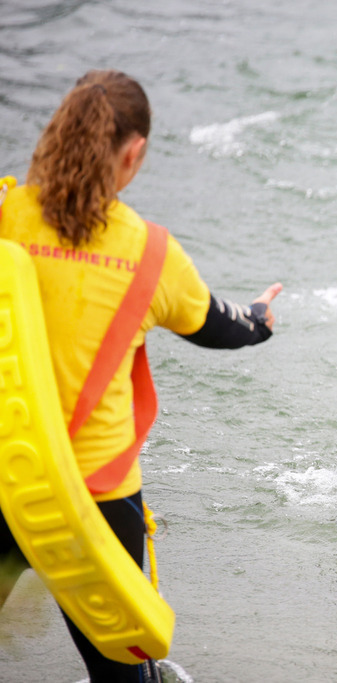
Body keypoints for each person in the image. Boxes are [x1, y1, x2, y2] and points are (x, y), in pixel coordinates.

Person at [0, 70, 281, 682]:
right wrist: (261, 317)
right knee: (122, 674)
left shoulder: (5, 216)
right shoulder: (151, 253)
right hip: (92, 499)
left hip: (4, 477)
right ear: (135, 153)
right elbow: (220, 327)